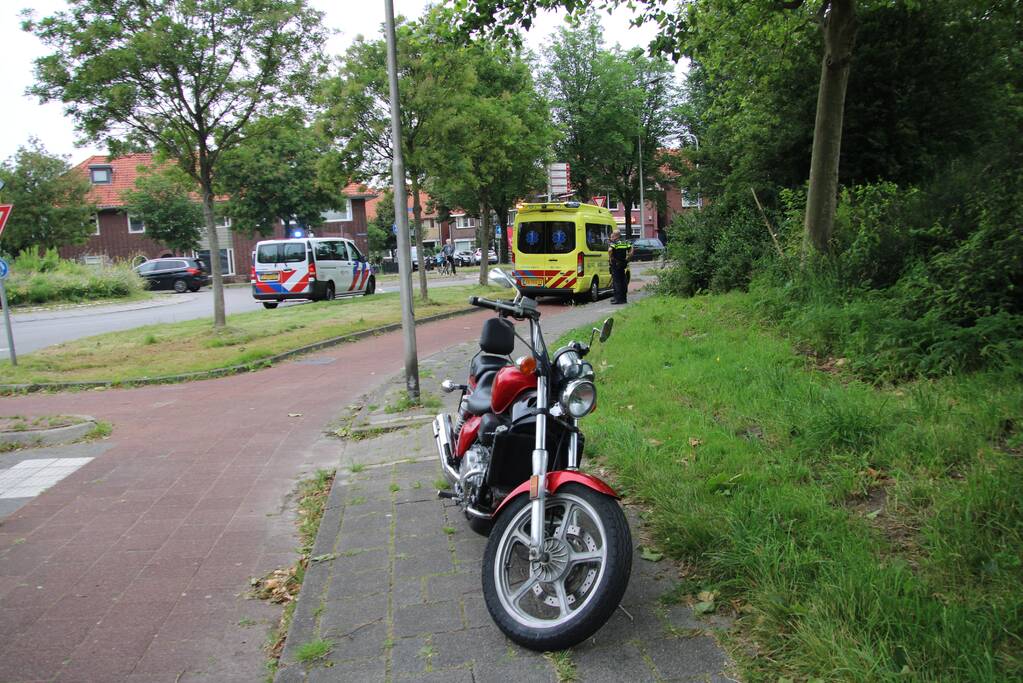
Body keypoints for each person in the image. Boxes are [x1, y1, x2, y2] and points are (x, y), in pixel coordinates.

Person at [608, 229, 632, 304]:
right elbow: (631, 248)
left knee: (616, 282)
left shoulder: (615, 243)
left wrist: (610, 257)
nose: (613, 237)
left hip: (616, 263)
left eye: (614, 235)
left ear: (616, 235)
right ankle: (623, 299)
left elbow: (610, 250)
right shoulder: (625, 242)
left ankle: (618, 299)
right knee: (623, 281)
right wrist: (628, 257)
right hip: (623, 263)